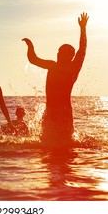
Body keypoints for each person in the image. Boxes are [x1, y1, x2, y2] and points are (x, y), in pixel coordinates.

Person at [22, 12, 89, 148]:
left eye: (60, 52)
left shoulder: (70, 68)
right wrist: (30, 47)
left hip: (60, 112)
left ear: (67, 56)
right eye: (58, 51)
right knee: (54, 145)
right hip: (54, 112)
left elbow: (82, 49)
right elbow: (33, 59)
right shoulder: (56, 66)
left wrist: (83, 28)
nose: (57, 54)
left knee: (57, 145)